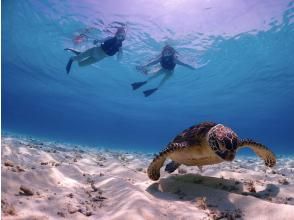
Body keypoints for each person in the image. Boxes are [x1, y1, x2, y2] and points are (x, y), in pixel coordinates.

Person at [131, 45, 196, 97]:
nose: (167, 54)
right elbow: (153, 62)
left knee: (163, 80)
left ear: (171, 53)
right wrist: (144, 66)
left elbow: (184, 64)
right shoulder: (161, 58)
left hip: (170, 71)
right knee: (154, 76)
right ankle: (144, 82)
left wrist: (191, 68)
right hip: (162, 69)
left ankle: (156, 88)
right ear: (163, 52)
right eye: (165, 52)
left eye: (169, 53)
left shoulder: (174, 59)